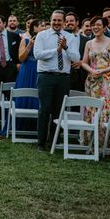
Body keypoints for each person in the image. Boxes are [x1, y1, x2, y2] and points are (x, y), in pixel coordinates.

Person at [34, 10, 80, 152]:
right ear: (50, 20)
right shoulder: (42, 35)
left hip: (63, 78)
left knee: (59, 110)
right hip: (46, 76)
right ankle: (40, 143)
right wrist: (57, 50)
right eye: (54, 20)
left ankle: (54, 140)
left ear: (64, 22)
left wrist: (65, 47)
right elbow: (37, 55)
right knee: (44, 109)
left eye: (59, 20)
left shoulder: (70, 37)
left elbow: (76, 58)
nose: (56, 23)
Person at [81, 16, 110, 147]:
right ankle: (91, 143)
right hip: (92, 81)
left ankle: (105, 144)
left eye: (98, 25)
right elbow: (83, 62)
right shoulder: (89, 43)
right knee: (91, 109)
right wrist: (92, 70)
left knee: (106, 110)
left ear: (104, 27)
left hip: (107, 82)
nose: (95, 27)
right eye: (93, 25)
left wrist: (104, 70)